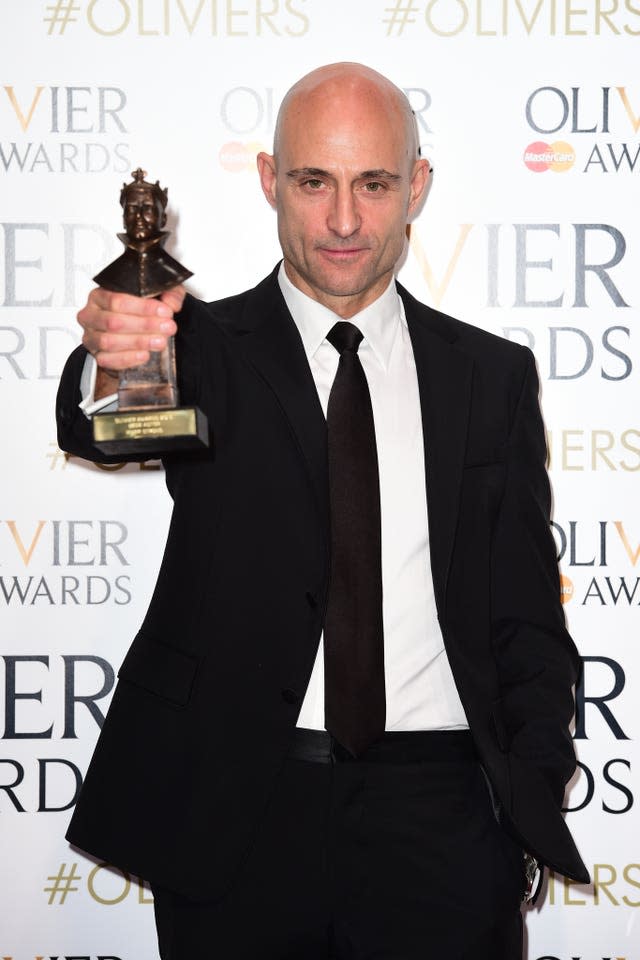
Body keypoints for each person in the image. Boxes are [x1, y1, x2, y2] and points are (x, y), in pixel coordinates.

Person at [56, 62, 588, 959]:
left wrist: (526, 794)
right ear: (271, 180)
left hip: (445, 820)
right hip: (239, 816)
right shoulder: (203, 350)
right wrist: (111, 356)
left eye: (373, 183)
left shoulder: (488, 377)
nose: (344, 220)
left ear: (415, 187)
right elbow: (100, 426)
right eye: (315, 182)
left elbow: (525, 617)